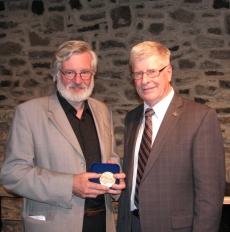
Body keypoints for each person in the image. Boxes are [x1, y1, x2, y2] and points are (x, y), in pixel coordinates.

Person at [0, 40, 125, 232]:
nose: (78, 79)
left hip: (102, 222)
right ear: (57, 74)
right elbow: (12, 174)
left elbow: (112, 158)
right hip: (54, 225)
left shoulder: (103, 111)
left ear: (92, 74)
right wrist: (69, 185)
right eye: (70, 72)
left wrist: (116, 181)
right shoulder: (29, 113)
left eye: (85, 72)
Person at [117, 41, 226, 232]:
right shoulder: (132, 119)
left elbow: (210, 196)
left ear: (168, 72)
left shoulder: (200, 117)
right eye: (138, 73)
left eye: (152, 71)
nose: (144, 80)